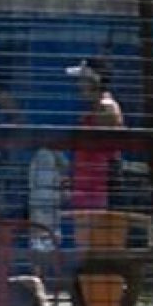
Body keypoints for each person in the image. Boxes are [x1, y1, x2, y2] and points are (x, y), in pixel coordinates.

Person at [65, 53, 124, 239]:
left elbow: (111, 150)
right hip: (86, 186)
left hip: (98, 188)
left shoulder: (106, 109)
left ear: (95, 81)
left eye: (83, 80)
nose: (79, 85)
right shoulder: (93, 109)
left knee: (98, 241)